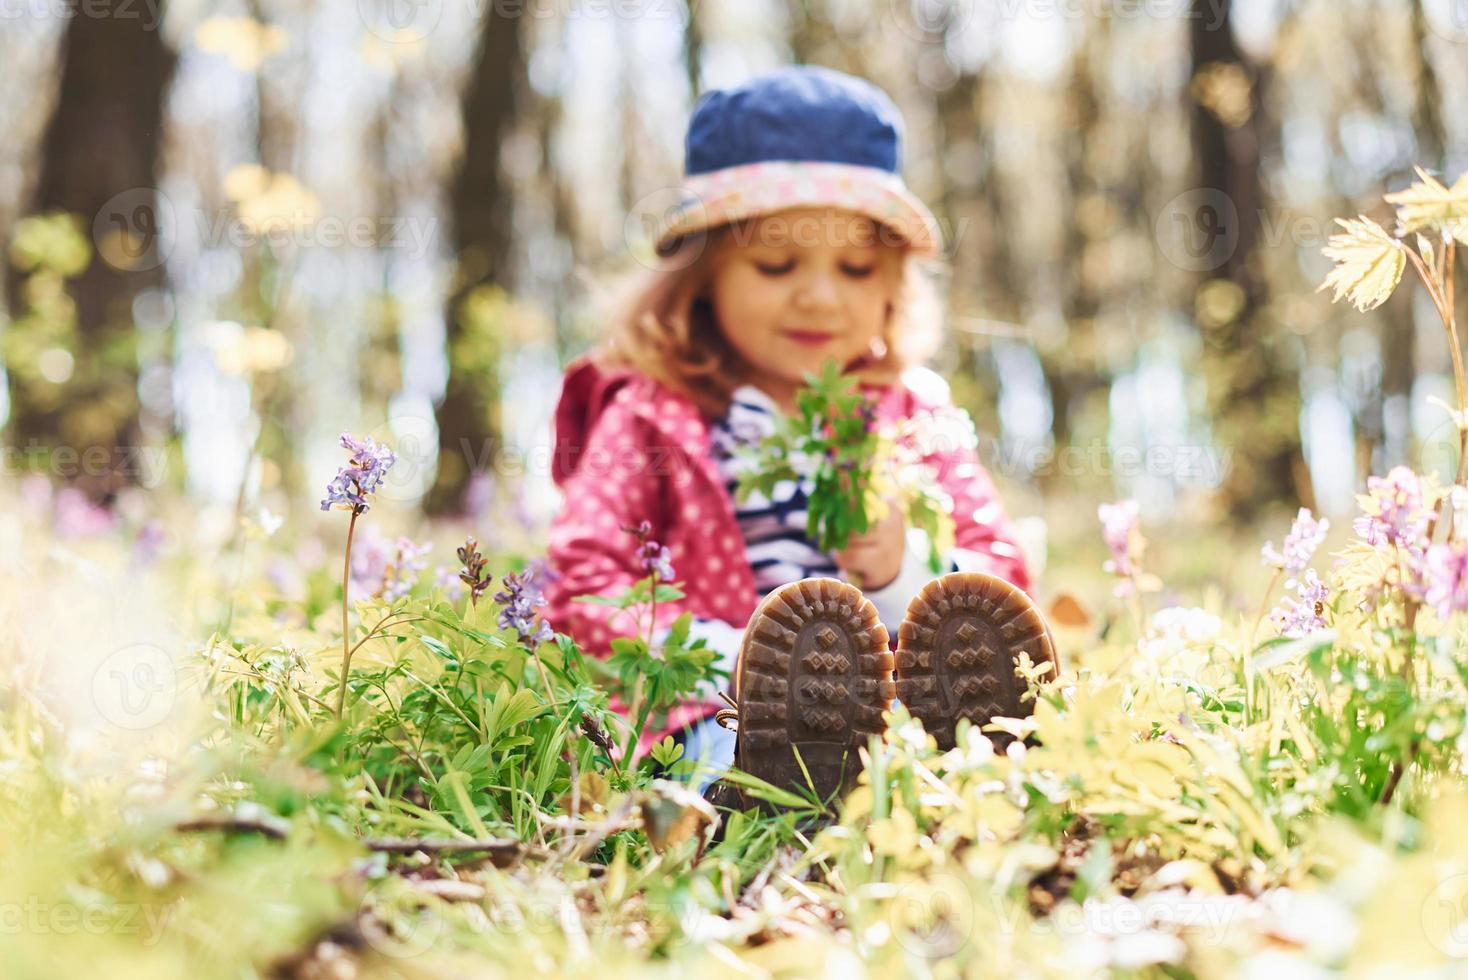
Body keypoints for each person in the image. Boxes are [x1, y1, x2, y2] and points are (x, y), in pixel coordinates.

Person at [543, 66, 1048, 796]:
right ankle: (765, 790)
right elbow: (585, 580)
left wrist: (901, 566)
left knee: (947, 705)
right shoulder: (656, 415)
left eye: (855, 266)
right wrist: (723, 659)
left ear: (891, 287)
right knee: (706, 747)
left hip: (901, 694)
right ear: (703, 273)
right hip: (715, 704)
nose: (818, 295)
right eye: (776, 264)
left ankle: (955, 773)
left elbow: (1003, 579)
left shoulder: (912, 415)